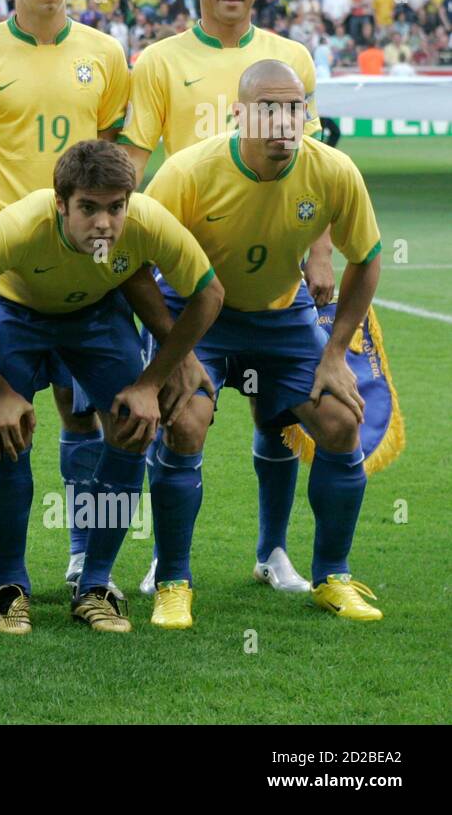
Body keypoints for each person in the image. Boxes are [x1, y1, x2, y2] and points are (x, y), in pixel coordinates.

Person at [0, 140, 223, 634]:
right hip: (17, 316)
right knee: (7, 433)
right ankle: (11, 585)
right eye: (88, 208)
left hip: (97, 316)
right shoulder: (17, 225)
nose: (104, 223)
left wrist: (153, 381)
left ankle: (96, 583)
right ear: (60, 203)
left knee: (133, 425)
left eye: (115, 207)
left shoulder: (147, 221)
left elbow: (209, 294)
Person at [116, 0, 331, 595]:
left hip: (272, 277)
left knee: (283, 416)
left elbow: (318, 169)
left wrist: (320, 256)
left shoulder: (290, 56)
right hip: (190, 281)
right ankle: (168, 562)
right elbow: (131, 164)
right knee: (185, 414)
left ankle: (272, 552)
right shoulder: (158, 60)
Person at [133, 59, 384, 627]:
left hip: (282, 315)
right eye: (267, 110)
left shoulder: (332, 170)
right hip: (196, 314)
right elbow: (136, 267)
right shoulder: (188, 172)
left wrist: (335, 353)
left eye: (293, 109)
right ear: (239, 115)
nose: (282, 122)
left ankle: (333, 577)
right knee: (187, 423)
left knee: (343, 423)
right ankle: (172, 579)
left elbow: (366, 260)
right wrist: (178, 352)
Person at [0, 0, 129, 599]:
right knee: (3, 413)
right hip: (10, 267)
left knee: (88, 415)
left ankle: (85, 551)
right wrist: (2, 215)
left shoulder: (106, 54)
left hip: (88, 263)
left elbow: (109, 157)